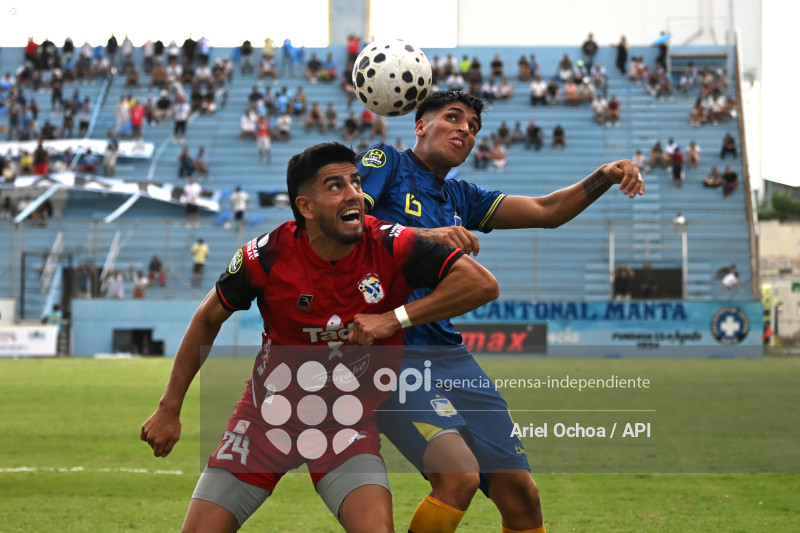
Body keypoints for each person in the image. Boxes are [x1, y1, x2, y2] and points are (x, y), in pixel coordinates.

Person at [140, 142, 498, 533]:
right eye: (335, 186)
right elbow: (208, 317)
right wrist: (169, 407)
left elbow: (481, 284)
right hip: (266, 421)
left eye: (355, 181)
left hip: (345, 427)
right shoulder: (267, 256)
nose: (354, 195)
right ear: (306, 206)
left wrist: (394, 319)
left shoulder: (390, 243)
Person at [357, 90, 643, 533]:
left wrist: (603, 176)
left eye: (473, 127)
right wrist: (426, 235)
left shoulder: (459, 196)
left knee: (521, 494)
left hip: (449, 353)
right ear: (419, 125)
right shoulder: (385, 163)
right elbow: (348, 224)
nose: (465, 130)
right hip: (390, 352)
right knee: (459, 477)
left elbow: (548, 211)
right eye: (453, 118)